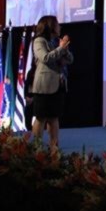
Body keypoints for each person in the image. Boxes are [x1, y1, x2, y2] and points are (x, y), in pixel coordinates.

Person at [31, 15, 73, 152]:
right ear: (50, 26)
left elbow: (70, 59)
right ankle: (36, 147)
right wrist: (60, 49)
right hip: (44, 85)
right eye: (57, 24)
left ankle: (54, 147)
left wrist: (65, 49)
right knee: (41, 117)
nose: (60, 27)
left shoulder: (56, 41)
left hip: (58, 85)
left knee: (54, 117)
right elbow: (45, 58)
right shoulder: (39, 41)